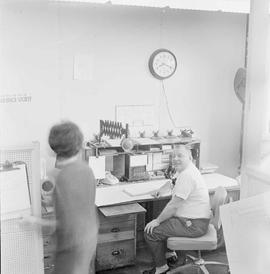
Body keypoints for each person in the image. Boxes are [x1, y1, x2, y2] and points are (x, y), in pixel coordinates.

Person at [143, 145, 211, 274]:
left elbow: (173, 205)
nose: (175, 159)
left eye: (180, 155)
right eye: (173, 156)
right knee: (162, 216)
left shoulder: (187, 175)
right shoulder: (187, 170)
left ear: (190, 157)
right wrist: (161, 189)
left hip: (194, 225)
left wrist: (157, 221)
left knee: (151, 232)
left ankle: (161, 268)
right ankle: (171, 257)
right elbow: (172, 182)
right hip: (195, 220)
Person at [48, 121, 99, 274]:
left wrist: (36, 223)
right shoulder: (86, 170)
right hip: (89, 241)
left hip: (72, 250)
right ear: (78, 145)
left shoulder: (62, 177)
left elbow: (67, 225)